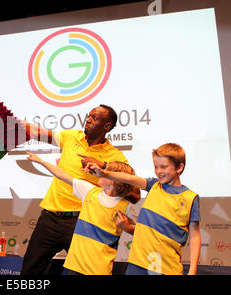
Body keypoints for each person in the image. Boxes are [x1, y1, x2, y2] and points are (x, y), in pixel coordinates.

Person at [21, 105, 140, 275]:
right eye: (89, 116)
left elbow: (135, 195)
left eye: (95, 118)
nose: (89, 120)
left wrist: (104, 168)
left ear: (107, 126)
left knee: (82, 272)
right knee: (29, 273)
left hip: (80, 222)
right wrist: (15, 122)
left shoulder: (115, 156)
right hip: (50, 217)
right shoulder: (72, 136)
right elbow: (40, 133)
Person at [85, 143, 201, 275]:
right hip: (137, 264)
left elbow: (195, 236)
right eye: (156, 167)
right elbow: (129, 178)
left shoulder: (190, 198)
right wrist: (104, 173)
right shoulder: (154, 186)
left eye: (163, 167)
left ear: (179, 167)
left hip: (166, 268)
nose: (158, 171)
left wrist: (192, 270)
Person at [26, 152, 138, 275]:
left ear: (115, 180)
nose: (101, 172)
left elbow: (142, 231)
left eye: (106, 172)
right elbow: (62, 174)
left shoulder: (125, 206)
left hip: (100, 271)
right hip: (74, 267)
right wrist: (41, 161)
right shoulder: (88, 191)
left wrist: (127, 228)